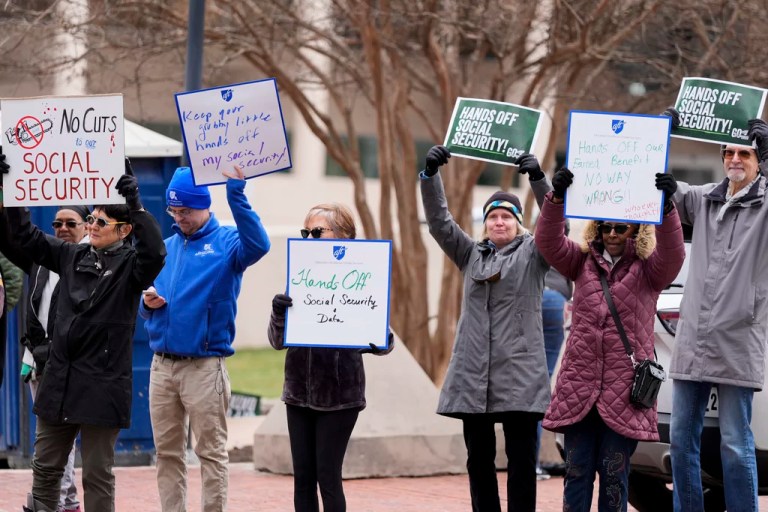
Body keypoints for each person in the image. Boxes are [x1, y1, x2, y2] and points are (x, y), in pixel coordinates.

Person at [0, 159, 166, 512]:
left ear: (123, 231)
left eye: (101, 221)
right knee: (44, 468)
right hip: (59, 381)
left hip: (102, 386)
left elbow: (155, 253)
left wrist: (136, 206)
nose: (91, 225)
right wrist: (12, 190)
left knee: (96, 475)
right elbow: (26, 238)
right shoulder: (72, 254)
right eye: (90, 218)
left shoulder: (131, 268)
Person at [535, 167, 685, 511]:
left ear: (635, 229)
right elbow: (548, 241)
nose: (613, 233)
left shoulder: (650, 271)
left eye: (621, 227)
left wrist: (667, 209)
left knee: (615, 476)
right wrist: (556, 200)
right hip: (579, 389)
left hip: (624, 394)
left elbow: (674, 255)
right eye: (606, 226)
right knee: (576, 473)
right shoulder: (580, 263)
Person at [419, 145, 552, 512]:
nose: (499, 222)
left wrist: (539, 181)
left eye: (507, 217)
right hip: (473, 377)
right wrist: (431, 177)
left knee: (522, 463)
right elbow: (439, 223)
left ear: (518, 222)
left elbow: (558, 226)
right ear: (485, 223)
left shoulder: (534, 253)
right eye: (492, 217)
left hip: (520, 377)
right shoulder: (470, 254)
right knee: (478, 462)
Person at [140, 165, 270, 512]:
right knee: (166, 454)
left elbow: (260, 245)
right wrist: (146, 304)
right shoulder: (165, 249)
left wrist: (237, 195)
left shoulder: (228, 243)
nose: (178, 217)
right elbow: (147, 301)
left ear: (204, 206)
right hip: (162, 367)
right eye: (173, 211)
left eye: (185, 211)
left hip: (204, 367)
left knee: (210, 454)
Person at [665, 114, 768, 512]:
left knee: (735, 444)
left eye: (746, 153)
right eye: (730, 152)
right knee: (679, 440)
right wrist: (660, 136)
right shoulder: (704, 197)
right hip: (693, 339)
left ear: (758, 161)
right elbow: (652, 186)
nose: (736, 159)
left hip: (738, 338)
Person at [268, 202, 394, 512]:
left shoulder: (362, 273)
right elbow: (276, 342)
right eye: (305, 232)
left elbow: (383, 338)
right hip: (298, 394)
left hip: (340, 396)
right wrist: (278, 312)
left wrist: (379, 339)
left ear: (344, 236)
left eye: (316, 232)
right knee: (303, 478)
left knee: (328, 475)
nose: (308, 238)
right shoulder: (300, 276)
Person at [15, 205, 91, 512]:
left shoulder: (92, 261)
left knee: (61, 445)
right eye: (57, 223)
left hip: (75, 367)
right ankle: (67, 502)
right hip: (40, 363)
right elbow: (12, 237)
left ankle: (55, 503)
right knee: (53, 444)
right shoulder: (43, 260)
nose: (61, 228)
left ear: (87, 226)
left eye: (70, 223)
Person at [535, 263, 573, 480]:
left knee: (527, 384)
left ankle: (529, 462)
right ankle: (535, 464)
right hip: (556, 302)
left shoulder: (530, 243)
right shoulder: (564, 247)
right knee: (542, 381)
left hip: (532, 300)